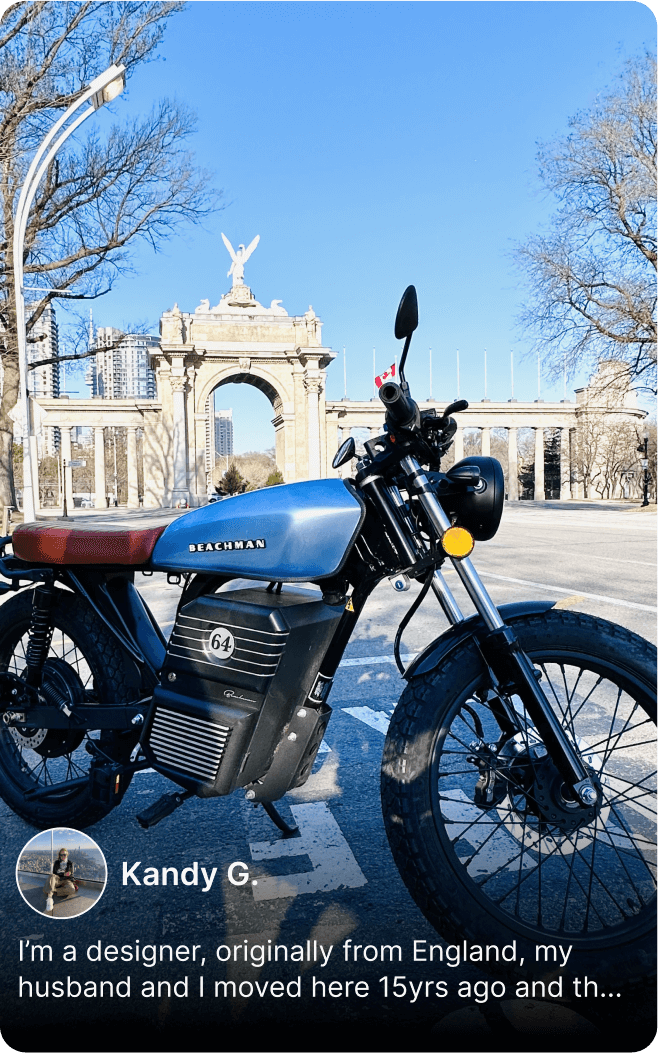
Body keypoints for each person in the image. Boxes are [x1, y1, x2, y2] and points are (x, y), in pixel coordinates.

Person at [43, 848, 77, 912]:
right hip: (58, 879)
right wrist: (63, 874)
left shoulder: (70, 863)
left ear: (67, 855)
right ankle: (50, 898)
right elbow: (54, 873)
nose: (63, 856)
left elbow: (71, 874)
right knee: (51, 876)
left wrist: (69, 874)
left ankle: (52, 890)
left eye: (64, 855)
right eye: (61, 855)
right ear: (59, 855)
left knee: (72, 890)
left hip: (66, 880)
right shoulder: (56, 862)